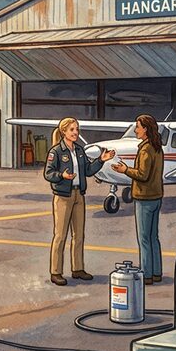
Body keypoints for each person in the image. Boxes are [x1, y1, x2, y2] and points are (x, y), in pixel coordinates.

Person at [43, 117, 116, 285]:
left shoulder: (79, 150)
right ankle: (56, 272)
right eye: (72, 129)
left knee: (79, 234)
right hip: (63, 196)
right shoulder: (56, 151)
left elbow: (88, 170)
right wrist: (61, 176)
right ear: (63, 132)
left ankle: (78, 268)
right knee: (60, 235)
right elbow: (48, 173)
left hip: (79, 195)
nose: (76, 132)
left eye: (77, 129)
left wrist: (101, 160)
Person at [111, 114, 165, 284]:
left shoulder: (145, 150)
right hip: (156, 197)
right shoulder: (157, 147)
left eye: (138, 127)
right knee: (153, 237)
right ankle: (156, 273)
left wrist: (125, 170)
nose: (135, 130)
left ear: (145, 129)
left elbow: (142, 175)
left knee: (144, 239)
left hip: (144, 198)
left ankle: (147, 275)